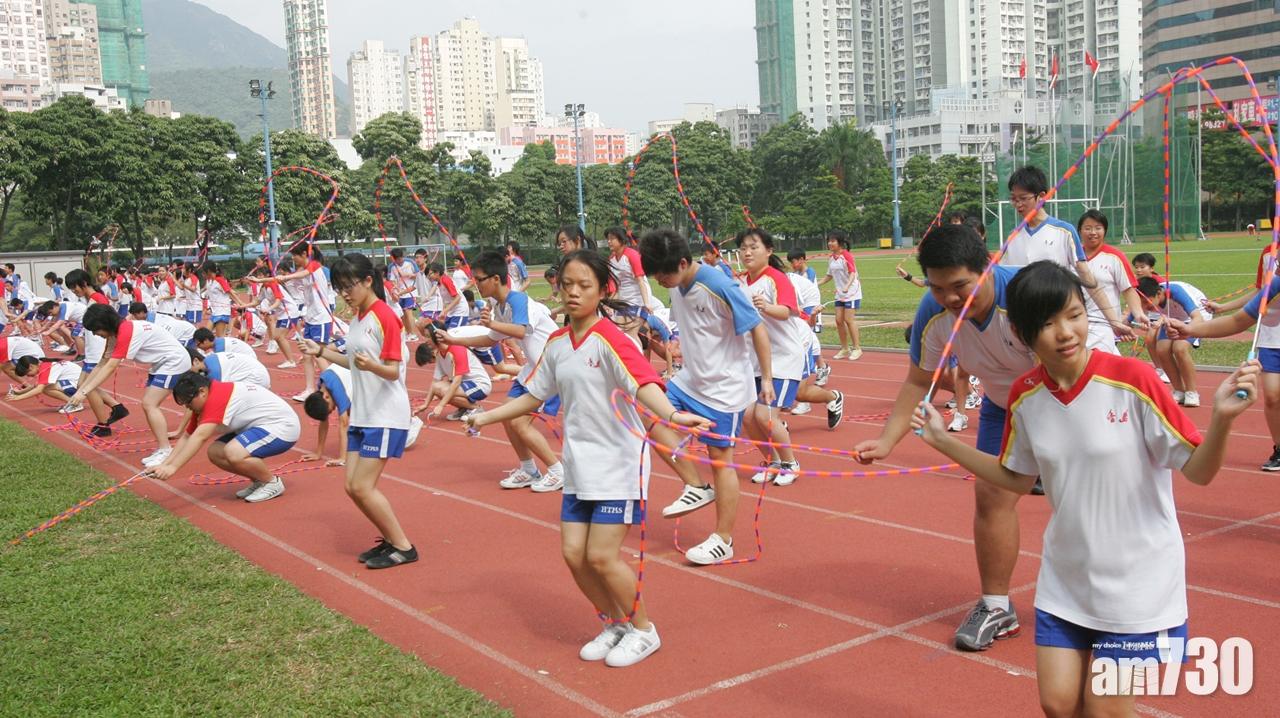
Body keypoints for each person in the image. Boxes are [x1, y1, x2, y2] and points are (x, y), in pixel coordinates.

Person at [913, 260, 1257, 717]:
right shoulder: (1025, 395)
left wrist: (1222, 420)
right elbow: (1015, 477)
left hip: (1139, 583)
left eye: (1074, 315)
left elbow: (1197, 470)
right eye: (1048, 322)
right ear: (1021, 331)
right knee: (1058, 704)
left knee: (1103, 710)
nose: (1065, 332)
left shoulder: (1132, 380)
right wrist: (943, 441)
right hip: (1067, 579)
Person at [465, 249, 710, 667]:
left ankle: (644, 630)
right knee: (574, 554)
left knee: (601, 556)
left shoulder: (612, 339)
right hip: (580, 464)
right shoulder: (559, 344)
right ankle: (614, 623)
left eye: (585, 286)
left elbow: (643, 384)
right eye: (568, 285)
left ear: (603, 291)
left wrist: (671, 413)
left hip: (617, 463)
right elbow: (534, 395)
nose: (574, 293)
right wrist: (486, 415)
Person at [854, 223, 1040, 651]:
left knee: (1086, 498)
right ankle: (996, 606)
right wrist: (886, 441)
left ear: (988, 266)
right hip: (1001, 405)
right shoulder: (933, 313)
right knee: (991, 496)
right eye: (938, 288)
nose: (951, 299)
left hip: (1061, 398)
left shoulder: (1026, 297)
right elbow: (919, 382)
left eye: (960, 286)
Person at [639, 229, 772, 565]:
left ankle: (723, 540)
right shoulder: (678, 283)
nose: (660, 281)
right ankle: (696, 486)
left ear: (683, 262)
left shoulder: (719, 286)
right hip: (691, 380)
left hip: (724, 389)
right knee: (648, 413)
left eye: (663, 274)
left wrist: (766, 379)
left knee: (720, 459)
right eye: (654, 274)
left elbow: (757, 328)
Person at [299, 253, 418, 570]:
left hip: (385, 414)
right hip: (363, 413)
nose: (345, 293)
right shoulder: (358, 318)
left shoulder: (385, 317)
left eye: (349, 286)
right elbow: (352, 363)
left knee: (363, 486)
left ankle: (403, 546)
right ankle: (391, 541)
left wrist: (374, 365)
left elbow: (393, 371)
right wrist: (321, 351)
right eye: (339, 288)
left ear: (368, 280)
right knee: (352, 486)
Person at [442, 250, 565, 492]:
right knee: (508, 418)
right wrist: (453, 340)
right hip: (532, 369)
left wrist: (491, 323)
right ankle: (529, 469)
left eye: (479, 279)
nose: (476, 285)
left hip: (550, 369)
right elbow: (490, 339)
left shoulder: (518, 301)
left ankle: (557, 471)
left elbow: (520, 331)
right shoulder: (499, 306)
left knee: (519, 423)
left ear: (495, 279)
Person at [999, 166, 1132, 354]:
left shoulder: (1064, 231)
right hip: (1028, 323)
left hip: (1059, 320)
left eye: (1023, 198)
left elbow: (1087, 278)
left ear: (1042, 196)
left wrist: (1114, 321)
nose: (1018, 205)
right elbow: (1004, 281)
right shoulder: (1012, 238)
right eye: (1014, 199)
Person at [1170, 274, 1280, 469]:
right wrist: (1190, 330)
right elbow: (1238, 321)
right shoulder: (1276, 284)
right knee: (1273, 397)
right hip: (1273, 343)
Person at [737, 228, 819, 487]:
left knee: (765, 415)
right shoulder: (740, 281)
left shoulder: (776, 278)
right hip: (756, 360)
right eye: (743, 248)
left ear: (769, 251)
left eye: (754, 247)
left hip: (783, 356)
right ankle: (772, 462)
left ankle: (790, 463)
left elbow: (787, 311)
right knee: (748, 417)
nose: (747, 252)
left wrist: (766, 307)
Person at [146, 372, 300, 503]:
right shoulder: (204, 400)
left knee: (234, 452)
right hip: (258, 426)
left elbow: (200, 436)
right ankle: (259, 481)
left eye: (188, 402)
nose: (187, 407)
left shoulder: (217, 397)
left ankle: (272, 483)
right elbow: (187, 437)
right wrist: (163, 464)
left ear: (202, 391)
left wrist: (172, 468)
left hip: (282, 428)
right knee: (216, 452)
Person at [73, 303, 193, 467]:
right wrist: (82, 389)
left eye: (96, 330)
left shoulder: (126, 331)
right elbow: (102, 363)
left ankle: (166, 450)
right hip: (160, 364)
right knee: (149, 405)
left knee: (150, 404)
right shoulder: (115, 334)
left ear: (105, 324)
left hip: (173, 362)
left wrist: (84, 391)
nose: (95, 334)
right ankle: (163, 448)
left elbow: (111, 366)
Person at [250, 245, 333, 402]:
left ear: (304, 254)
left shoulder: (314, 265)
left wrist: (287, 277)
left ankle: (337, 386)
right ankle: (309, 389)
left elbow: (302, 273)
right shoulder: (304, 270)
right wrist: (260, 280)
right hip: (311, 318)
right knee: (307, 356)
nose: (293, 259)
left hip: (321, 318)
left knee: (318, 354)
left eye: (294, 256)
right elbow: (280, 279)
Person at [63, 269, 129, 437]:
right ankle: (117, 407)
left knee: (88, 387)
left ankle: (104, 425)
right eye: (70, 288)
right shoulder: (91, 299)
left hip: (98, 348)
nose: (73, 291)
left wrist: (107, 350)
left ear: (84, 283)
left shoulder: (98, 299)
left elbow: (109, 323)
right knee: (82, 386)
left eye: (74, 287)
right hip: (92, 349)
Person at [1077, 209, 1148, 353]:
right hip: (1077, 323)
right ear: (1079, 231)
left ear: (1105, 230)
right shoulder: (1072, 256)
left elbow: (1128, 289)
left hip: (1105, 324)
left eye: (1098, 228)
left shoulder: (1114, 257)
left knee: (1094, 364)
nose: (1093, 232)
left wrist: (1138, 313)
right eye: (1088, 228)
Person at [1136, 276, 1208, 406]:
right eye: (1142, 304)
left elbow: (1197, 317)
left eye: (1147, 303)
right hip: (1172, 318)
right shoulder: (1146, 300)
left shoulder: (1176, 292)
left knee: (1179, 349)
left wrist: (1186, 330)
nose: (1145, 307)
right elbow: (1128, 321)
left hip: (1195, 318)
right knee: (1162, 349)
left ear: (1159, 293)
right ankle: (1179, 390)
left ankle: (1191, 392)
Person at [413, 324, 489, 421]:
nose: (425, 340)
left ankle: (477, 408)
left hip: (479, 384)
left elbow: (456, 382)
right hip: (464, 384)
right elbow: (435, 382)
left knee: (443, 390)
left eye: (428, 336)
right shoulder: (440, 354)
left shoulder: (457, 349)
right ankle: (464, 408)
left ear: (437, 336)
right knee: (438, 388)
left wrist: (441, 405)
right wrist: (425, 404)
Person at [788, 248, 832, 389]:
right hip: (802, 307)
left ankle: (822, 367)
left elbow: (806, 291)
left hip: (811, 307)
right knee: (808, 338)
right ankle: (822, 366)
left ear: (801, 260)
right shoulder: (795, 274)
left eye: (793, 262)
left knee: (810, 337)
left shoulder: (809, 273)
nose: (792, 265)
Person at [818, 230, 863, 360]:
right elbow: (829, 276)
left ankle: (857, 348)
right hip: (840, 293)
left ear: (840, 242)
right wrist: (816, 284)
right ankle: (844, 348)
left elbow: (852, 273)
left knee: (849, 320)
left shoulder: (846, 255)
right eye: (829, 241)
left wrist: (847, 286)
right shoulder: (831, 258)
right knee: (838, 320)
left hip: (852, 292)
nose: (830, 243)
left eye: (833, 241)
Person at [302, 364, 353, 467]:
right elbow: (323, 422)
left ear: (326, 397)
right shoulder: (322, 387)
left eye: (330, 409)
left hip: (370, 374)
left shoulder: (337, 389)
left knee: (350, 413)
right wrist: (318, 453)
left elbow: (344, 424)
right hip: (354, 372)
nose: (334, 409)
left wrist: (343, 458)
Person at [7, 356, 81, 404]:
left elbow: (38, 390)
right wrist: (19, 392)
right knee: (46, 387)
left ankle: (73, 403)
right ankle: (72, 402)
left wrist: (18, 398)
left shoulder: (45, 369)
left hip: (78, 384)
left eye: (27, 373)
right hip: (77, 382)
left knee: (46, 389)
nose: (28, 376)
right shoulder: (44, 365)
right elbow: (35, 386)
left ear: (31, 366)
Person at [187, 347, 271, 388]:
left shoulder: (214, 370)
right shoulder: (209, 360)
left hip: (257, 378)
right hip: (256, 373)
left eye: (187, 368)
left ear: (196, 361)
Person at [128, 302, 197, 348]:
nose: (133, 318)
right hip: (176, 332)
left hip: (186, 333)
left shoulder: (153, 323)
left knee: (181, 353)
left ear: (142, 313)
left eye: (134, 315)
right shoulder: (149, 317)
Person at [388, 247, 420, 339]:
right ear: (394, 258)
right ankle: (408, 332)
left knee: (408, 311)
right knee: (402, 314)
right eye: (398, 259)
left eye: (401, 258)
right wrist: (396, 287)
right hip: (399, 293)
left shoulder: (410, 262)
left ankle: (413, 334)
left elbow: (418, 275)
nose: (400, 260)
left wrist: (409, 275)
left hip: (410, 292)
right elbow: (392, 280)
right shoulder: (392, 266)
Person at [202, 263, 235, 336]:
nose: (202, 274)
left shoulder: (220, 280)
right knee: (205, 335)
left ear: (209, 271)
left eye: (203, 272)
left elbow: (230, 292)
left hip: (222, 312)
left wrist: (241, 303)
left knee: (220, 338)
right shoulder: (209, 281)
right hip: (214, 312)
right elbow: (206, 291)